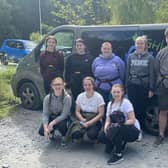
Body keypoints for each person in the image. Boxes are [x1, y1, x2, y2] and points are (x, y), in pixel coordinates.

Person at [99, 84, 140, 165]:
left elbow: (132, 120)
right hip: (116, 128)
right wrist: (106, 129)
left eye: (118, 92)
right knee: (101, 136)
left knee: (118, 128)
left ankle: (118, 154)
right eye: (114, 92)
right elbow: (108, 120)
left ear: (122, 93)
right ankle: (113, 142)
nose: (116, 94)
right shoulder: (110, 104)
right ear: (111, 92)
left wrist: (121, 123)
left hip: (131, 130)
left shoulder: (126, 103)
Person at [126, 36, 155, 129]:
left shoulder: (150, 57)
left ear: (145, 45)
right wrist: (126, 86)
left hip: (143, 86)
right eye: (138, 43)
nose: (139, 45)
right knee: (132, 107)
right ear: (135, 45)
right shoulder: (130, 56)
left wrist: (151, 89)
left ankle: (141, 128)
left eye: (141, 43)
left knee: (142, 108)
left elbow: (152, 74)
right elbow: (127, 72)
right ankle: (133, 127)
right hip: (132, 85)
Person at [92, 42, 125, 115]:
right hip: (100, 88)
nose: (106, 50)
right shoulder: (96, 60)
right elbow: (94, 72)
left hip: (114, 89)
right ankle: (103, 124)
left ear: (111, 49)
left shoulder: (117, 60)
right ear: (101, 49)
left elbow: (122, 74)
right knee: (101, 108)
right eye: (104, 48)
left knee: (113, 108)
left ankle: (113, 124)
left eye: (108, 49)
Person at [38, 77, 72, 145]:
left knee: (62, 125)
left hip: (63, 118)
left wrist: (51, 123)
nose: (57, 86)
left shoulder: (67, 98)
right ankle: (51, 132)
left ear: (63, 85)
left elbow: (64, 115)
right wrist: (45, 128)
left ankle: (64, 136)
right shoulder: (47, 98)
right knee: (41, 131)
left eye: (59, 84)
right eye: (55, 84)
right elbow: (45, 114)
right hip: (52, 116)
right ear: (52, 86)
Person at [73, 76, 105, 141]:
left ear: (93, 85)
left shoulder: (99, 97)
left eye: (89, 85)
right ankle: (80, 135)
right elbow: (77, 111)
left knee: (92, 135)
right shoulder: (80, 96)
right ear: (83, 86)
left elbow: (101, 114)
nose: (87, 87)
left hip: (95, 120)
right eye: (85, 85)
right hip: (83, 118)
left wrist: (90, 123)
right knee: (75, 134)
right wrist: (82, 119)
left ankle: (93, 134)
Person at [154, 28, 168, 146]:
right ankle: (161, 134)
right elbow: (156, 70)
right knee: (163, 111)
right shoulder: (161, 53)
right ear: (166, 38)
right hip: (164, 85)